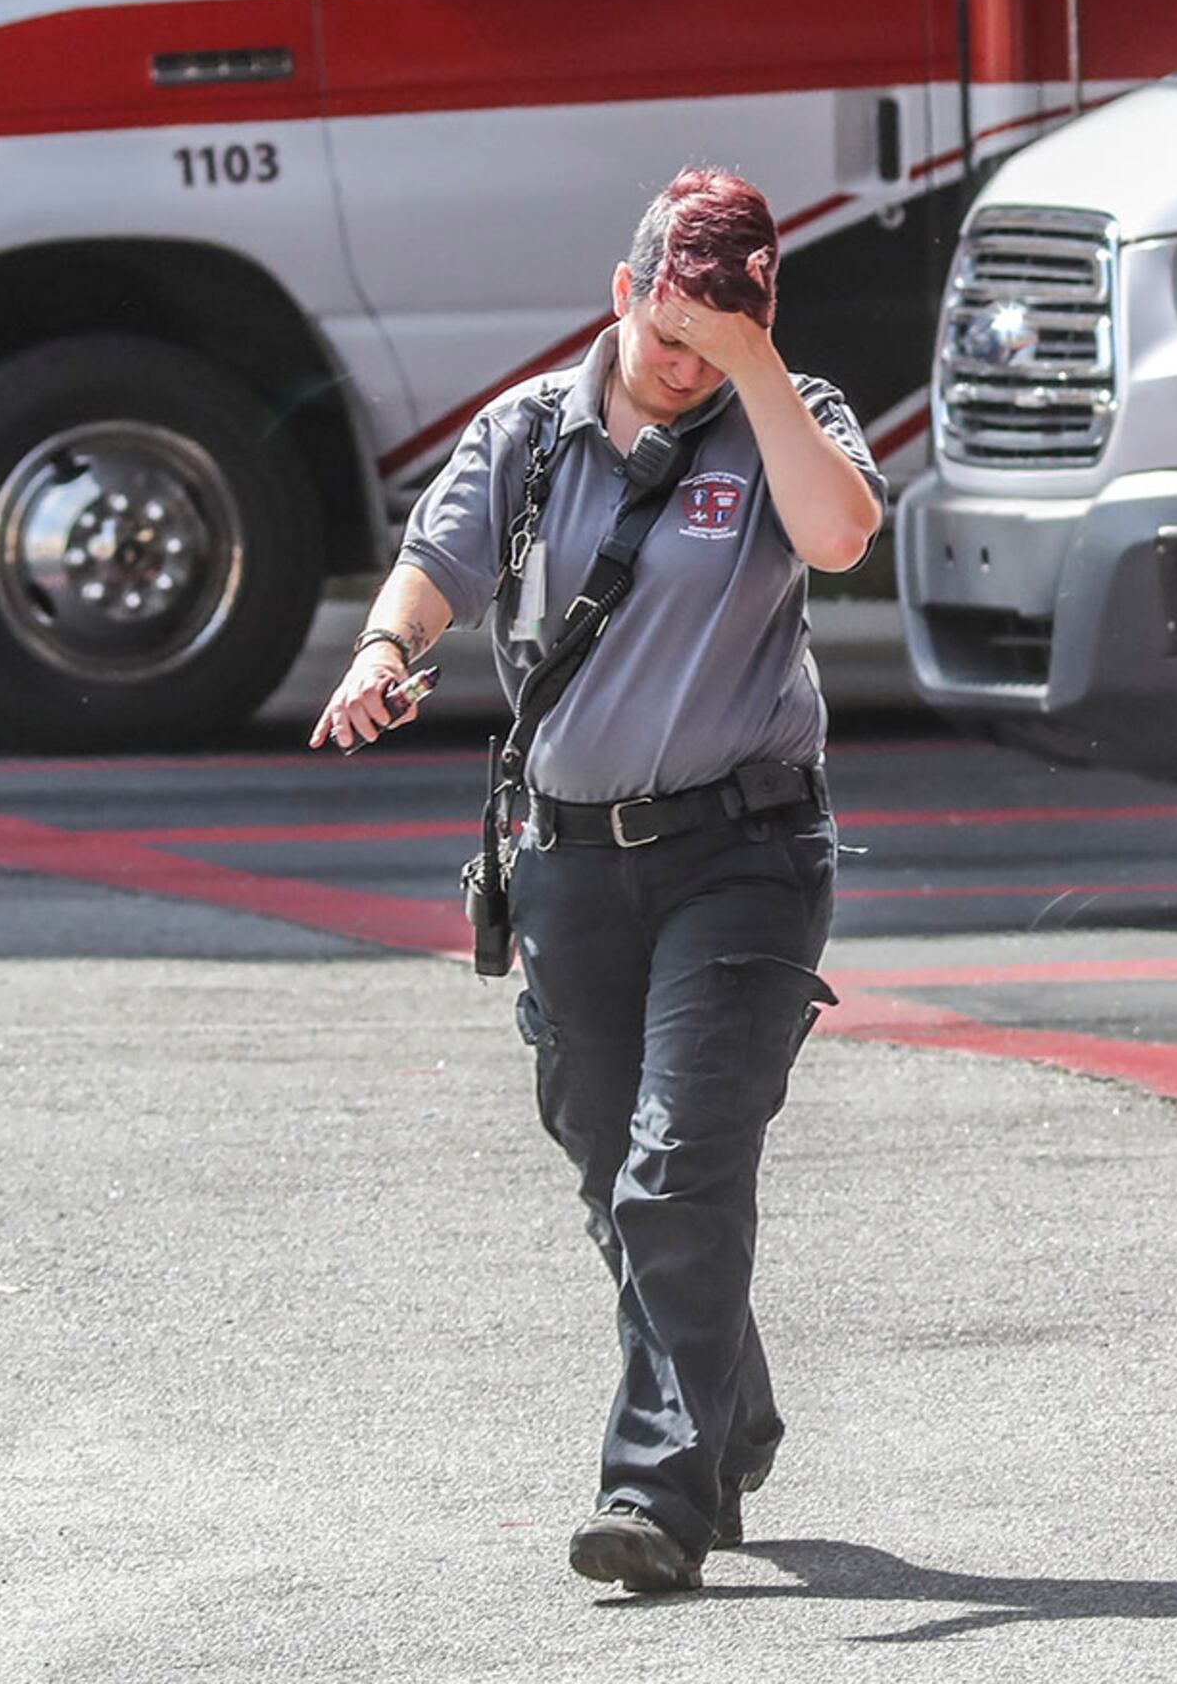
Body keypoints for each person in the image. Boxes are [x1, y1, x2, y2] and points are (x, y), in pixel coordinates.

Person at [312, 169, 884, 1594]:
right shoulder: (532, 429)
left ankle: (656, 1497)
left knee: (679, 1162)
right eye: (674, 328)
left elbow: (838, 536)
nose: (688, 360)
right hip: (570, 862)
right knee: (606, 1164)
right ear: (624, 293)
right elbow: (432, 563)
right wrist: (386, 655)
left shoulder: (787, 420)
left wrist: (750, 364)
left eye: (725, 333)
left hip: (744, 856)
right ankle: (725, 1406)